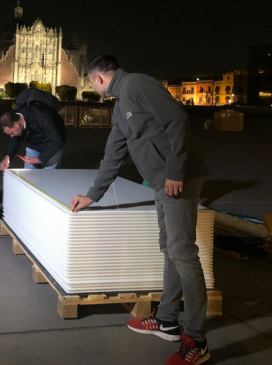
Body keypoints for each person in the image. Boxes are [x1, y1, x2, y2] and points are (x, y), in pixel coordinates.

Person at [70, 55, 210, 365]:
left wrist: (175, 171)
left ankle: (197, 339)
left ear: (97, 79)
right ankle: (167, 320)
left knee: (183, 253)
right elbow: (113, 155)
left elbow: (177, 119)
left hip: (179, 179)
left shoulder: (137, 83)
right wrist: (93, 196)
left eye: (91, 82)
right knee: (170, 248)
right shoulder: (121, 106)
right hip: (161, 182)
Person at [0, 88, 66, 171]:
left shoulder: (42, 116)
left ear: (17, 124)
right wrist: (7, 157)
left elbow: (57, 141)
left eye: (11, 133)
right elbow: (13, 141)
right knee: (28, 176)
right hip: (34, 144)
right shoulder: (14, 118)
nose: (11, 136)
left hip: (52, 144)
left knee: (49, 177)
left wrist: (39, 159)